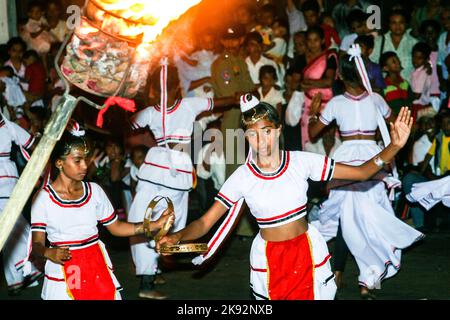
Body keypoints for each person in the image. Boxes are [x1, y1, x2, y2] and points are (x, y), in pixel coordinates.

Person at [157, 93, 415, 300]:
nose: (262, 140)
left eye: (267, 131)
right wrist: (178, 236)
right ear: (245, 137)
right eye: (253, 134)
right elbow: (204, 223)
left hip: (307, 252)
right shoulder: (242, 178)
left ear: (278, 130)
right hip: (269, 260)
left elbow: (360, 172)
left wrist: (394, 146)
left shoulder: (302, 162)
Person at [308, 46, 423, 299]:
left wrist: (314, 112)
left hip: (348, 159)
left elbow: (313, 133)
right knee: (368, 220)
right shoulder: (377, 99)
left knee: (346, 218)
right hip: (374, 159)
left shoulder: (336, 103)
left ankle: (338, 273)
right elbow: (396, 129)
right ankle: (367, 280)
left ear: (340, 76)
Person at [29, 122, 174, 300]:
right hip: (64, 267)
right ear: (59, 162)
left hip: (95, 261)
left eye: (86, 159)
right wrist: (47, 252)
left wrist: (154, 224)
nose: (84, 166)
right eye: (77, 161)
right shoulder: (44, 198)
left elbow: (117, 227)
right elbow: (36, 245)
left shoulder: (94, 191)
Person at [128, 65, 238, 299]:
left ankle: (152, 272)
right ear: (177, 86)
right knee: (165, 221)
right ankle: (147, 284)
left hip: (158, 169)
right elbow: (219, 102)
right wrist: (238, 98)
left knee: (147, 219)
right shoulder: (188, 104)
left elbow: (127, 124)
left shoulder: (150, 111)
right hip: (174, 169)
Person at [0, 111, 41, 295]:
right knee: (13, 226)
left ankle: (18, 276)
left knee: (10, 227)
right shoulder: (7, 126)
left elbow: (31, 143)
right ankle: (25, 270)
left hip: (7, 182)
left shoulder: (7, 125)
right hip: (6, 182)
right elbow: (31, 143)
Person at [294, 26, 338, 149]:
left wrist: (308, 83)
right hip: (308, 105)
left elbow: (329, 81)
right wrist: (305, 84)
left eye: (316, 40)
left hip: (328, 105)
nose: (312, 44)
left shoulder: (330, 56)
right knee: (309, 140)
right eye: (309, 40)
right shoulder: (302, 59)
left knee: (330, 141)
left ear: (323, 41)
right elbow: (296, 83)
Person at [370, 9, 418, 81]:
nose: (397, 26)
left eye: (401, 22)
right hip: (386, 88)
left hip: (409, 88)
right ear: (389, 24)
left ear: (406, 24)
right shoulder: (379, 41)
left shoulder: (414, 43)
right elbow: (371, 63)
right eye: (394, 23)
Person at [380, 51, 415, 116]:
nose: (398, 62)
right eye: (394, 61)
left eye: (398, 59)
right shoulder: (383, 86)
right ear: (386, 68)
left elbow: (410, 103)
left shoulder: (405, 84)